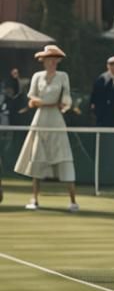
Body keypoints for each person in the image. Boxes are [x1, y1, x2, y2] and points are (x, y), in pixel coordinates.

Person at [13, 44, 78, 211]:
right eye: (49, 59)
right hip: (40, 119)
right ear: (44, 60)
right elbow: (32, 97)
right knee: (37, 157)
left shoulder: (63, 76)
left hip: (56, 120)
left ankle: (73, 201)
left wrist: (64, 104)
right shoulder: (37, 76)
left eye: (55, 59)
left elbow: (66, 96)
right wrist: (41, 102)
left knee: (64, 157)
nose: (52, 62)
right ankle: (34, 199)